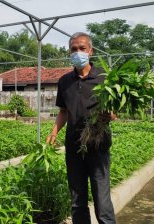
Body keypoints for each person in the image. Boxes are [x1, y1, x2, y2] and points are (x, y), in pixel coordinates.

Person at [46, 32, 116, 224]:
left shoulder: (105, 77)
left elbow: (115, 110)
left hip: (98, 146)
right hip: (74, 148)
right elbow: (63, 112)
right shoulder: (64, 81)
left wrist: (110, 115)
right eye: (74, 49)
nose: (78, 52)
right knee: (77, 202)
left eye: (82, 48)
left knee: (102, 203)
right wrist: (54, 132)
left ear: (90, 51)